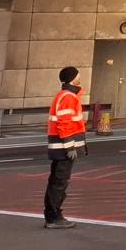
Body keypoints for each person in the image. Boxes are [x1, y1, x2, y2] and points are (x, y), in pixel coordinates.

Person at [44, 64, 86, 229]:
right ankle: (54, 217)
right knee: (59, 183)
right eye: (77, 74)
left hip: (59, 148)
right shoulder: (68, 97)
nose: (80, 76)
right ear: (72, 78)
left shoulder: (65, 95)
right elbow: (65, 123)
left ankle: (52, 215)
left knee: (55, 181)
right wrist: (70, 147)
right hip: (63, 149)